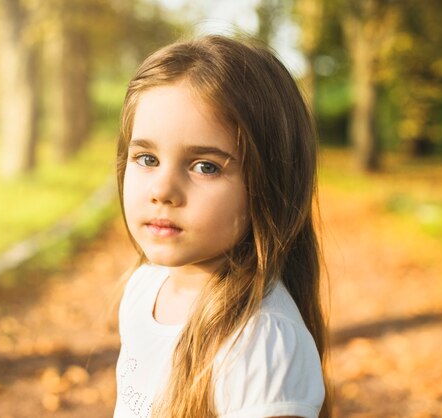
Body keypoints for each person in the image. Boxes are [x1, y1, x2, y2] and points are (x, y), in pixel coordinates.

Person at [113, 35, 330, 418]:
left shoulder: (260, 343)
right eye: (146, 158)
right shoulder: (144, 288)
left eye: (205, 166)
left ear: (269, 185)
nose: (163, 190)